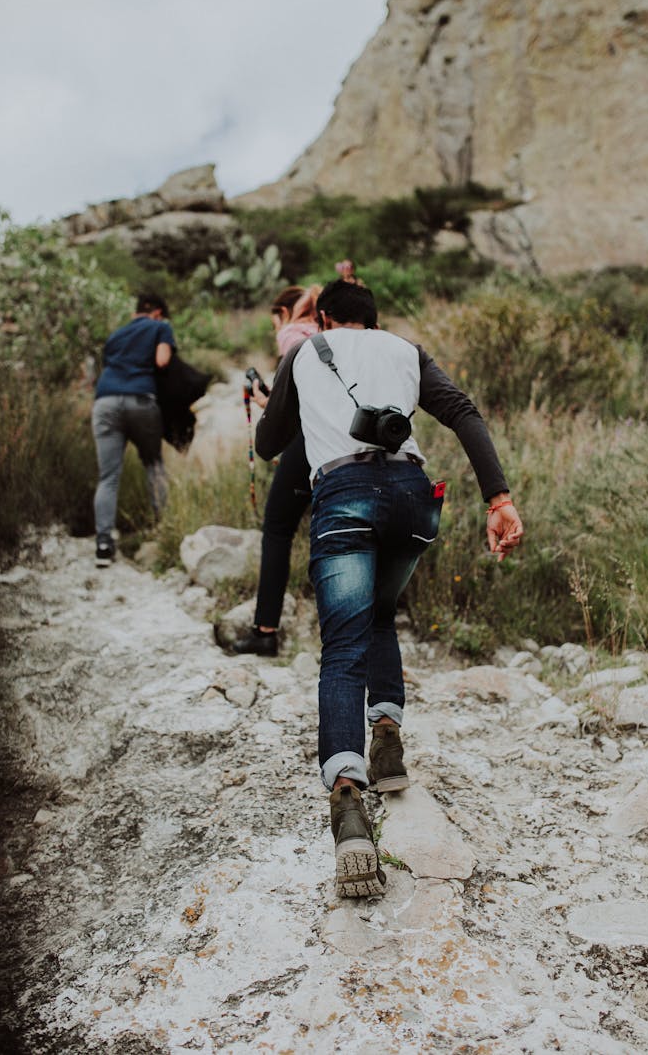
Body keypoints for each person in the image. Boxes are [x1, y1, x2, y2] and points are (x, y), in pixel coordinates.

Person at [255, 279, 523, 897]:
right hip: (414, 500)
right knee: (379, 614)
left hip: (345, 497)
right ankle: (388, 743)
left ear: (322, 317)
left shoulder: (304, 352)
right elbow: (463, 413)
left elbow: (270, 445)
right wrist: (499, 499)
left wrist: (287, 402)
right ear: (375, 320)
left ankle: (349, 806)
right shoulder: (406, 349)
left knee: (344, 645)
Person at [230, 285, 320, 655]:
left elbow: (296, 411)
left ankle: (265, 630)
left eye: (274, 322)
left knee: (278, 529)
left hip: (309, 442)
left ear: (285, 313)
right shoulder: (340, 335)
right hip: (350, 445)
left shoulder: (294, 335)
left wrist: (261, 397)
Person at [91, 292, 175, 567]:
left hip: (105, 402)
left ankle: (103, 543)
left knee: (108, 476)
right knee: (154, 464)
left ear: (135, 312)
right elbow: (163, 360)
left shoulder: (115, 335)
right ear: (158, 313)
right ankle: (164, 530)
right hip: (140, 399)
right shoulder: (160, 327)